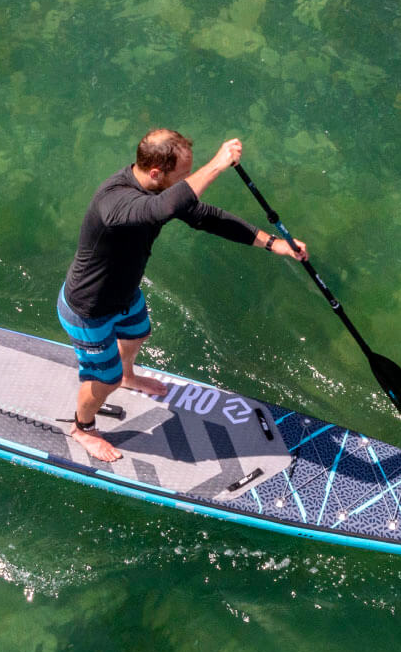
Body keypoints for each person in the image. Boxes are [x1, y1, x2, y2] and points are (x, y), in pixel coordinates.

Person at [57, 129, 308, 462]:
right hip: (90, 309)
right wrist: (217, 165)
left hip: (124, 294)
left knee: (138, 332)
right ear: (157, 172)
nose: (188, 180)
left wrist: (273, 243)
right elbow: (163, 208)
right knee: (104, 377)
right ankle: (83, 428)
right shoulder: (115, 200)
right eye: (183, 175)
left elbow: (205, 216)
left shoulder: (157, 187)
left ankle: (129, 377)